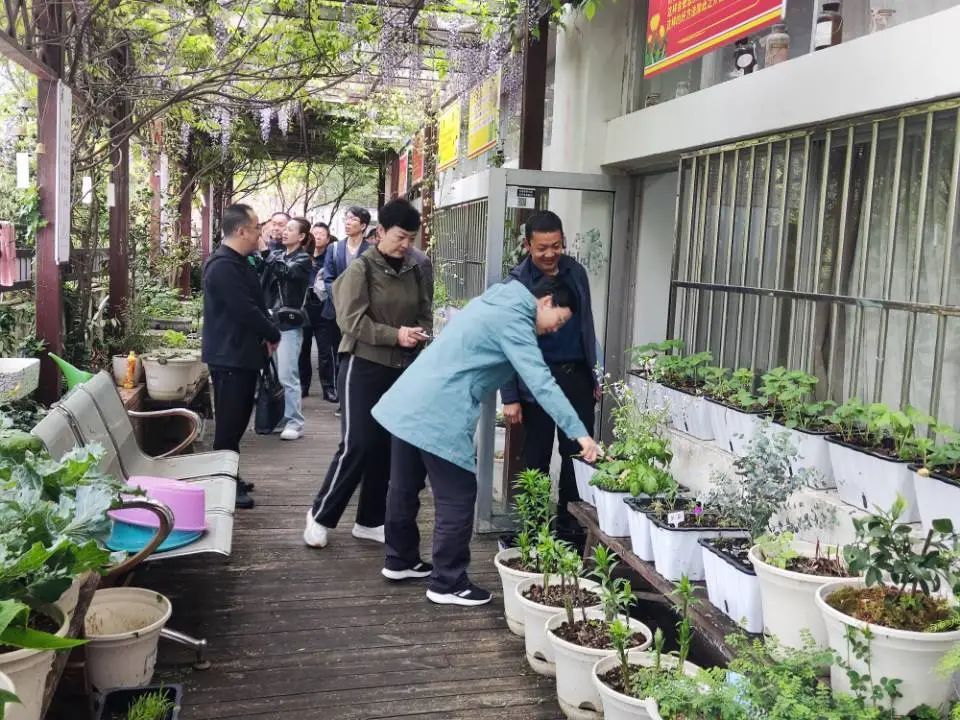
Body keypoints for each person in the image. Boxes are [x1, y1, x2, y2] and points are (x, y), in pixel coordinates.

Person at [372, 275, 600, 606]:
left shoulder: (494, 301)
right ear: (547, 301)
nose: (555, 329)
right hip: (440, 409)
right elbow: (541, 382)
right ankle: (447, 582)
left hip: (410, 398)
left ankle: (400, 559)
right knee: (458, 494)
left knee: (404, 485)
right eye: (560, 320)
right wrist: (580, 433)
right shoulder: (516, 319)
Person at [304, 199, 432, 549]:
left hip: (400, 367)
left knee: (385, 446)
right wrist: (395, 335)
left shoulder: (416, 268)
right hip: (362, 364)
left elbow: (424, 311)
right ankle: (320, 515)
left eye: (411, 238)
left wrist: (418, 333)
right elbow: (351, 321)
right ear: (380, 232)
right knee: (357, 443)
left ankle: (370, 520)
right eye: (400, 237)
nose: (406, 244)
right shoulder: (361, 268)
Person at [500, 211, 601, 535]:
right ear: (528, 245)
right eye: (542, 247)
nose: (549, 254)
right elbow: (506, 343)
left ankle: (570, 533)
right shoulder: (516, 283)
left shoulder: (576, 272)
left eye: (556, 246)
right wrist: (510, 396)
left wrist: (595, 375)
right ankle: (531, 534)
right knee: (536, 458)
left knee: (577, 457)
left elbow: (586, 325)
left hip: (576, 377)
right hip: (536, 383)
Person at [201, 203, 280, 510]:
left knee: (237, 420)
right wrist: (272, 332)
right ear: (241, 230)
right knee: (229, 424)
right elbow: (244, 309)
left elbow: (254, 303)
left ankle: (229, 474)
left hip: (242, 354)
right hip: (229, 356)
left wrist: (266, 332)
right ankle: (223, 483)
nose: (261, 232)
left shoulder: (238, 261)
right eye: (257, 227)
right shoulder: (222, 265)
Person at [259, 217, 312, 441]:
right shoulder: (280, 255)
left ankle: (295, 422)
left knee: (287, 374)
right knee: (275, 374)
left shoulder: (303, 259)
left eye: (290, 229)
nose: (285, 232)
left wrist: (265, 251)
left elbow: (285, 272)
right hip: (273, 320)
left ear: (301, 236)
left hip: (289, 323)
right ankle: (281, 417)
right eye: (285, 228)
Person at [322, 207, 372, 416]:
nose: (348, 222)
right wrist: (341, 300)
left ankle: (357, 400)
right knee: (338, 355)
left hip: (361, 314)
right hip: (335, 311)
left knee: (357, 356)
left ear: (363, 225)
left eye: (353, 219)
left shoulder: (371, 250)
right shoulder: (334, 248)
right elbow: (328, 278)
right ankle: (342, 400)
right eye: (346, 218)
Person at [299, 222, 338, 402]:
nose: (317, 236)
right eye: (314, 232)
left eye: (321, 233)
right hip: (304, 308)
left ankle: (328, 388)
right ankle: (303, 386)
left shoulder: (331, 258)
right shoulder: (302, 257)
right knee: (303, 350)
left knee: (325, 351)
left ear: (328, 238)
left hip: (323, 308)